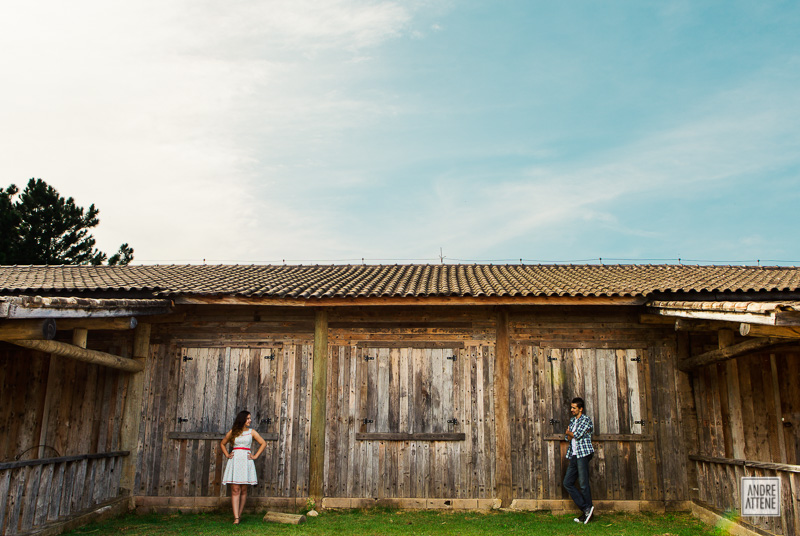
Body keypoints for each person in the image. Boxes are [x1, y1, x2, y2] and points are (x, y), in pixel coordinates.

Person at [220, 410, 267, 524]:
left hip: (246, 460)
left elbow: (263, 443)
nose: (250, 420)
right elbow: (222, 443)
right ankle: (236, 517)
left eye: (250, 418)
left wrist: (255, 456)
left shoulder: (252, 432)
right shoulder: (233, 432)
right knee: (235, 489)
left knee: (244, 489)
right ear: (242, 420)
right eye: (248, 418)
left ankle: (239, 514)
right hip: (235, 460)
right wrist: (227, 454)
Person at [563, 397, 595, 524]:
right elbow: (567, 438)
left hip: (583, 454)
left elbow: (576, 435)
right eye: (571, 407)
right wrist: (570, 434)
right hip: (574, 454)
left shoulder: (586, 419)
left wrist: (570, 433)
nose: (572, 410)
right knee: (567, 482)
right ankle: (586, 509)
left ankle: (587, 512)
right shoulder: (572, 421)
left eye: (574, 408)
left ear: (580, 409)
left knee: (583, 483)